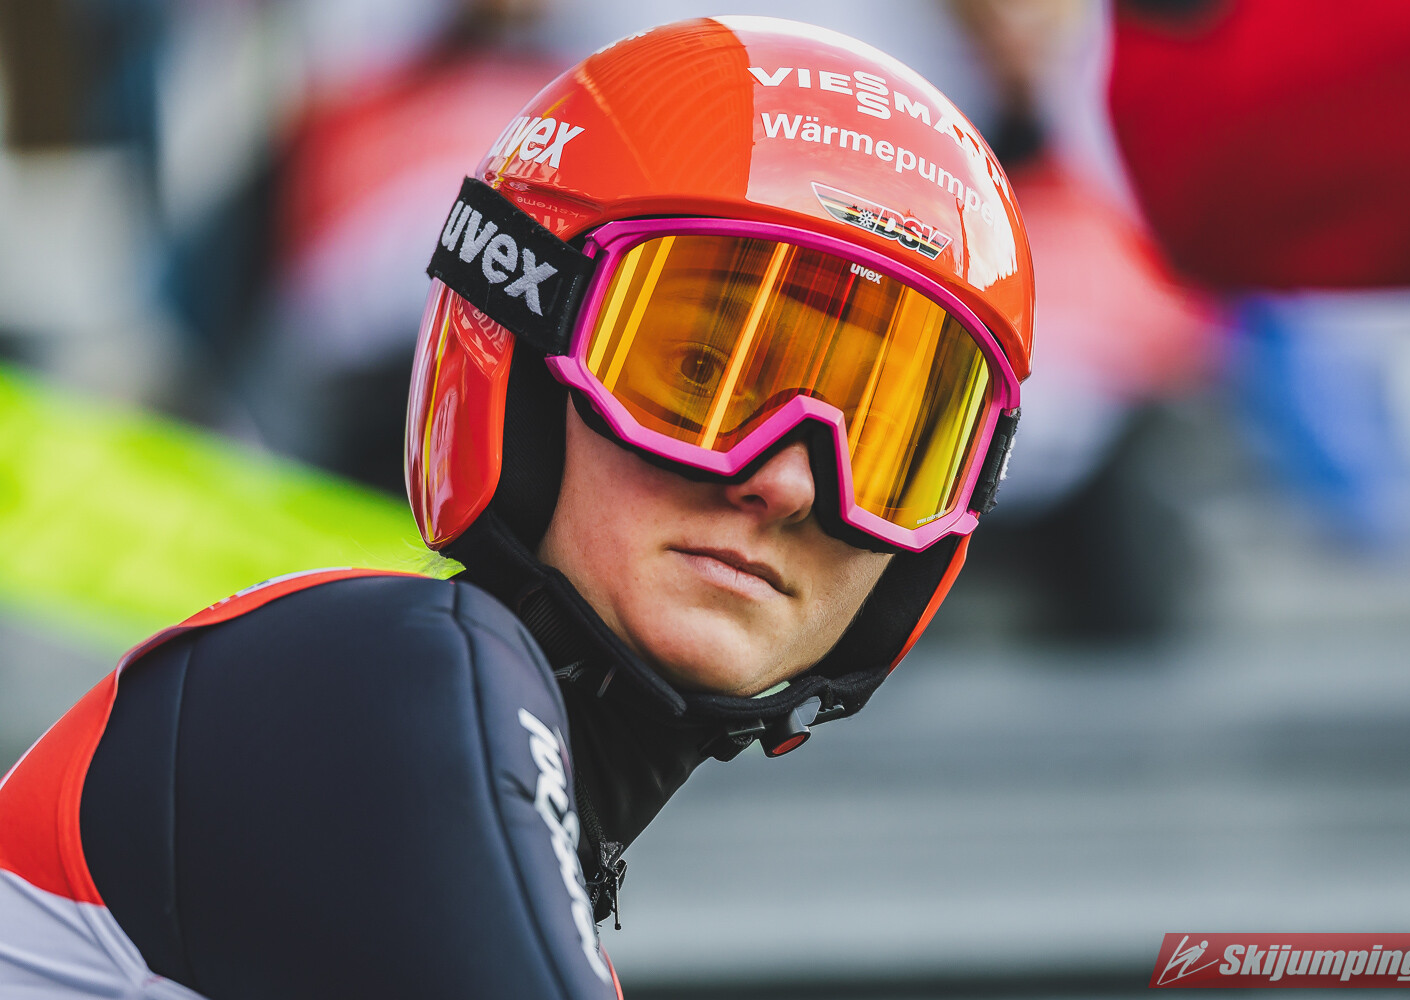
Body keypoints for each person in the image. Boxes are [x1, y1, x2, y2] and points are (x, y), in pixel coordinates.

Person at [0, 16, 1033, 998]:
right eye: (701, 371)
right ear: (524, 341)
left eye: (884, 438)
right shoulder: (375, 676)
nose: (792, 481)